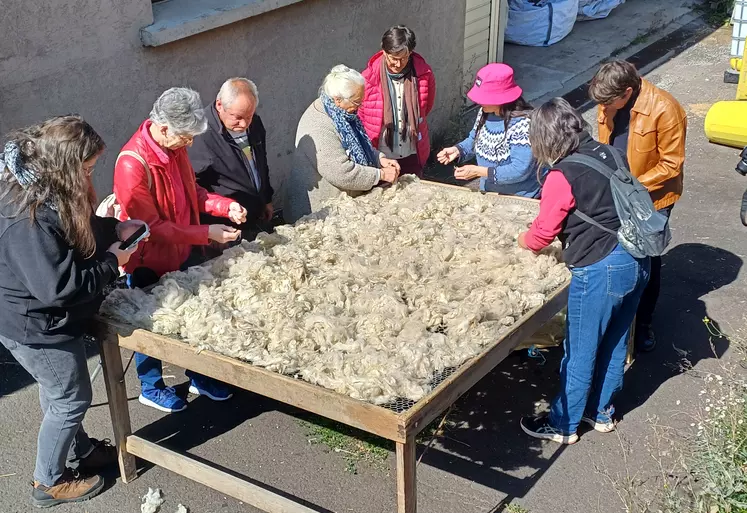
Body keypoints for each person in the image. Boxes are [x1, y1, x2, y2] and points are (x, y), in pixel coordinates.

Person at [0, 116, 144, 507]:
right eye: (86, 169)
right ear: (63, 165)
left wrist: (114, 230)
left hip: (37, 317)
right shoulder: (23, 215)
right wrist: (113, 262)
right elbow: (58, 288)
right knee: (70, 397)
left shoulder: (38, 183)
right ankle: (48, 481)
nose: (89, 175)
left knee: (60, 390)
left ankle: (76, 452)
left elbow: (72, 224)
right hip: (35, 325)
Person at [517, 98, 650, 444]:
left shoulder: (563, 175)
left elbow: (543, 233)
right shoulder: (610, 153)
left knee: (581, 349)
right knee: (616, 340)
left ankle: (564, 423)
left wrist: (523, 241)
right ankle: (601, 411)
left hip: (601, 270)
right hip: (637, 259)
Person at [113, 87, 248, 413]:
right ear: (163, 128)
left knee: (191, 315)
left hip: (181, 250)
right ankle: (150, 385)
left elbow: (193, 193)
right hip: (148, 261)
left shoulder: (174, 149)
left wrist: (223, 206)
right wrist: (205, 233)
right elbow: (150, 229)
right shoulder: (132, 165)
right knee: (149, 322)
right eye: (185, 137)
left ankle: (199, 375)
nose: (189, 144)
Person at [589, 60, 687, 353]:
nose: (603, 109)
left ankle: (643, 323)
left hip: (651, 198)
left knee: (646, 260)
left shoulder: (666, 109)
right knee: (615, 252)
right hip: (618, 189)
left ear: (627, 92)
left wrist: (632, 187)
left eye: (608, 103)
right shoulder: (608, 99)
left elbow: (671, 164)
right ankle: (617, 318)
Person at [284, 65, 401, 223]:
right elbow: (342, 173)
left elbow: (358, 144)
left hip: (341, 206)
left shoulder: (343, 114)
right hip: (318, 213)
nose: (359, 107)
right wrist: (380, 175)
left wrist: (379, 159)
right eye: (356, 102)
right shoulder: (320, 125)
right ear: (337, 99)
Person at [437, 63, 540, 198]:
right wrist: (458, 150)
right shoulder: (485, 112)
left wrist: (480, 171)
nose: (479, 102)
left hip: (519, 197)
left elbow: (519, 170)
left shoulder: (523, 124)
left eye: (484, 98)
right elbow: (474, 140)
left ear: (501, 99)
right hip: (489, 193)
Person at [189, 78, 274, 242]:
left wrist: (266, 198)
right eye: (238, 117)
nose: (244, 124)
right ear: (220, 105)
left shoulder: (254, 123)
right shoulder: (200, 135)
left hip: (255, 214)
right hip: (224, 228)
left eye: (249, 116)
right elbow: (193, 188)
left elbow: (261, 164)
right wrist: (207, 231)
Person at [358, 25, 436, 177]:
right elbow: (361, 117)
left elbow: (426, 107)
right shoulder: (368, 78)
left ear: (411, 53)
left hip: (412, 152)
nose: (398, 64)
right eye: (394, 58)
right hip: (381, 155)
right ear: (384, 52)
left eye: (404, 58)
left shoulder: (424, 75)